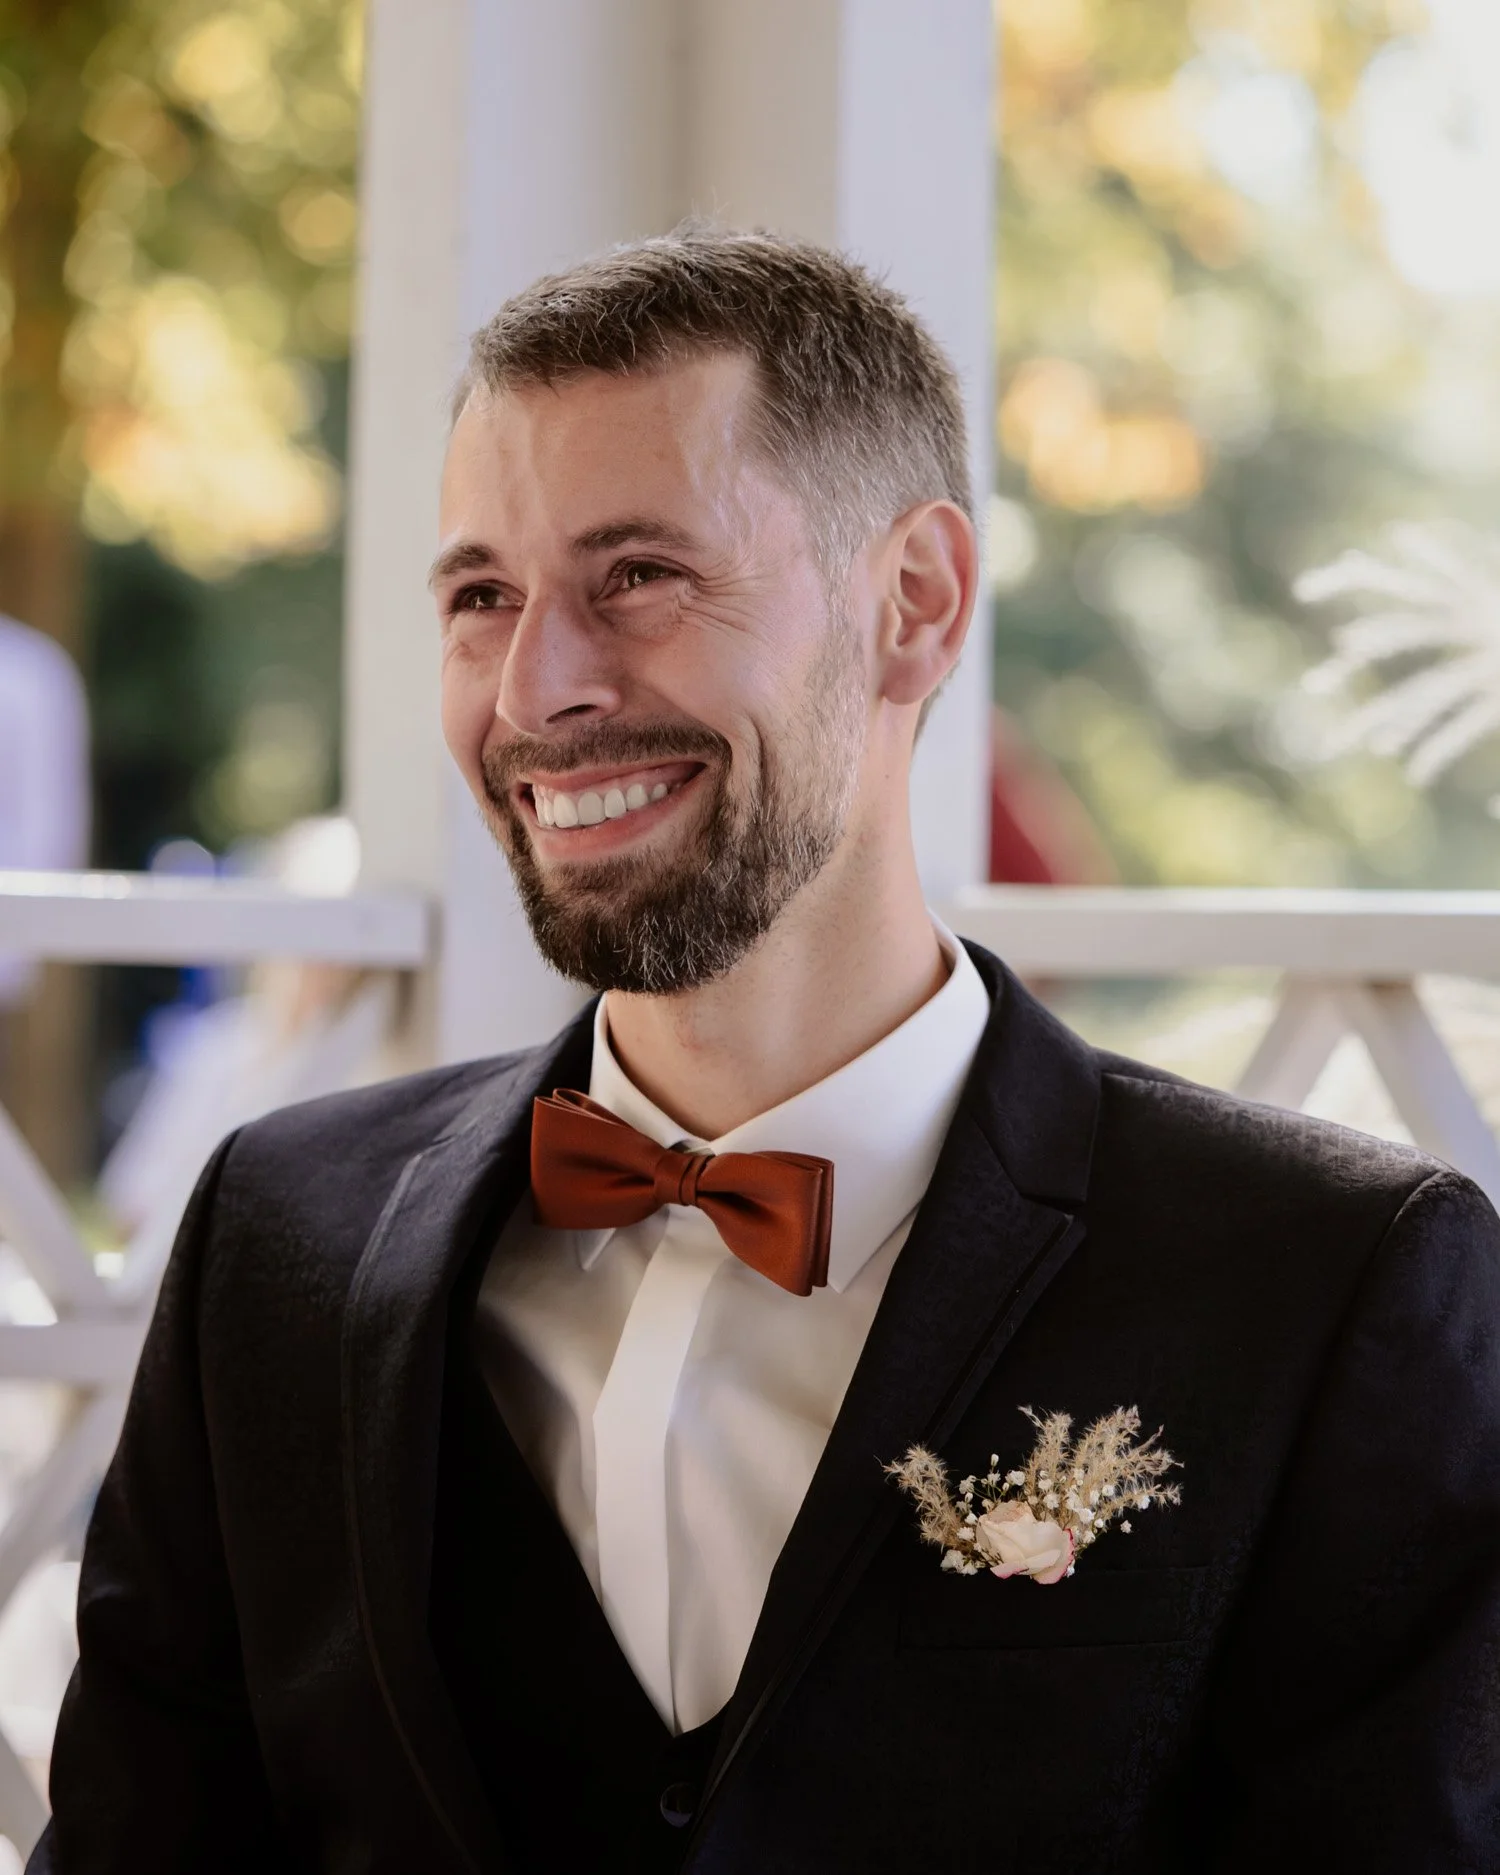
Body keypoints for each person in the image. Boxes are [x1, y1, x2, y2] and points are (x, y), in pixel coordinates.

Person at [30, 230, 1500, 1874]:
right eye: (481, 596)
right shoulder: (275, 1238)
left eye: (638, 576)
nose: (536, 689)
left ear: (913, 605)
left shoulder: (1328, 1281)